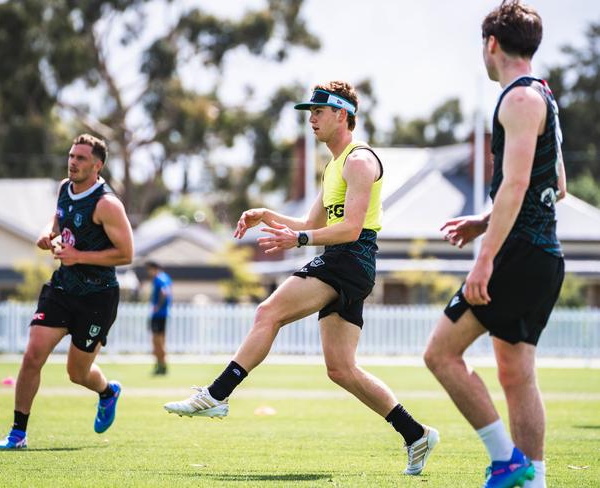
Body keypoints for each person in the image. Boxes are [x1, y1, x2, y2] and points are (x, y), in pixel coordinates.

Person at [164, 81, 439, 475]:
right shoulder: (334, 165)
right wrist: (267, 215)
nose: (311, 119)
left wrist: (300, 239)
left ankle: (217, 394)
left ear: (342, 114)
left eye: (318, 112)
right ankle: (416, 434)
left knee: (267, 312)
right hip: (347, 263)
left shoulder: (359, 161)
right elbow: (312, 223)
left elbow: (350, 228)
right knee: (341, 369)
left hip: (349, 259)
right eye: (309, 112)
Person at [423, 2, 566, 487]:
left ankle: (507, 460)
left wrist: (484, 260)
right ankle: (534, 481)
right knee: (516, 374)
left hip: (519, 254)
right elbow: (557, 184)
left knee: (440, 354)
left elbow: (517, 183)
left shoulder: (518, 99)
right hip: (543, 255)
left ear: (491, 44)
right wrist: (483, 223)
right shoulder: (543, 95)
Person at [0, 134, 134, 449]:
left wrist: (79, 256)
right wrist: (47, 234)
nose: (73, 162)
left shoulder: (107, 204)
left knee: (77, 373)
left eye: (81, 158)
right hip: (62, 287)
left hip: (97, 296)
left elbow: (126, 254)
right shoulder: (64, 189)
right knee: (32, 355)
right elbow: (58, 219)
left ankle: (108, 392)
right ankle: (18, 434)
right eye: (71, 156)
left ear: (98, 166)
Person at [146, 260, 173, 375]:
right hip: (164, 314)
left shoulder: (159, 279)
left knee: (157, 341)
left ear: (153, 268)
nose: (149, 272)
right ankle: (161, 365)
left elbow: (164, 293)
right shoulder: (166, 277)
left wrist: (158, 306)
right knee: (160, 341)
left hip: (158, 315)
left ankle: (161, 366)